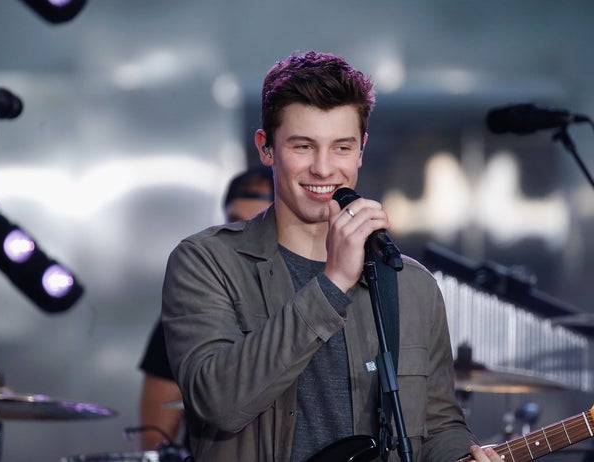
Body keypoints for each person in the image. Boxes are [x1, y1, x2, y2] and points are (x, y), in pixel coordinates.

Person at [160, 51, 501, 462]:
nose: (323, 169)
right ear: (266, 149)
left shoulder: (411, 284)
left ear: (361, 150)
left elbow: (440, 424)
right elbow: (217, 402)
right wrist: (333, 283)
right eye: (303, 146)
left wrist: (463, 455)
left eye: (341, 147)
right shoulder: (207, 262)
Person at [138, 165, 275, 451]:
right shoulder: (185, 316)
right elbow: (155, 439)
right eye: (234, 223)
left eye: (255, 225)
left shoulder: (312, 305)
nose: (241, 238)